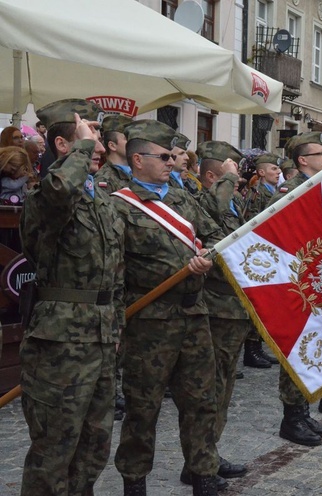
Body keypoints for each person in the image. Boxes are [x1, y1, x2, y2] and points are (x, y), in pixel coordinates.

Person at [112, 119, 224, 496]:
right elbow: (114, 270)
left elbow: (216, 235)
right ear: (137, 160)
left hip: (194, 314)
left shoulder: (180, 199)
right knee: (143, 408)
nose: (172, 163)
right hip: (149, 322)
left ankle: (203, 474)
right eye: (163, 157)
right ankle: (134, 482)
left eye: (173, 156)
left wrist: (209, 254)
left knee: (201, 401)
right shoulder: (119, 206)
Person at [19, 98, 124, 495]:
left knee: (93, 448)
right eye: (91, 134)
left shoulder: (100, 203)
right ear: (63, 145)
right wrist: (82, 144)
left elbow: (115, 274)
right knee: (54, 451)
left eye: (95, 135)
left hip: (99, 337)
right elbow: (60, 191)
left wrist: (117, 330)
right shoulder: (45, 198)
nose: (100, 145)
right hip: (59, 343)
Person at [268, 132, 322, 446]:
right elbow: (273, 231)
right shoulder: (291, 190)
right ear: (302, 160)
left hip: (318, 280)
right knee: (298, 347)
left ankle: (305, 411)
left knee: (317, 346)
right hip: (297, 282)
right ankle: (292, 418)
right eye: (319, 153)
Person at [192, 141, 252, 490]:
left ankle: (209, 454)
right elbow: (218, 238)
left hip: (234, 307)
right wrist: (228, 181)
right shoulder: (206, 202)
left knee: (224, 385)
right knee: (211, 387)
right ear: (213, 177)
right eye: (228, 178)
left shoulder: (227, 204)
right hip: (217, 307)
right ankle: (200, 460)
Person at [242, 153, 282, 368]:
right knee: (255, 304)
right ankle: (251, 349)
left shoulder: (273, 192)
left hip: (270, 252)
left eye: (278, 170)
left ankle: (258, 345)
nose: (278, 173)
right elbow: (250, 222)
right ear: (261, 172)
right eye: (274, 169)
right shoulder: (255, 194)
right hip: (258, 253)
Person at [94, 114, 133, 193]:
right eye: (127, 139)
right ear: (112, 145)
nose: (133, 142)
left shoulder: (138, 172)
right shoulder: (104, 179)